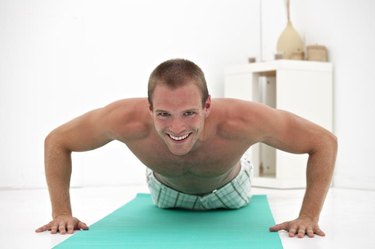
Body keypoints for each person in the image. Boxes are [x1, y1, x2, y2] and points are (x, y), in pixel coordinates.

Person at [36, 58, 337, 238]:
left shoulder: (244, 119)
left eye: (189, 113)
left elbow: (323, 141)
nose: (177, 128)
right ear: (150, 108)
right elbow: (57, 141)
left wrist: (308, 216)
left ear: (207, 105)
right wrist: (61, 212)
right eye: (164, 114)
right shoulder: (124, 119)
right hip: (164, 192)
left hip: (231, 190)